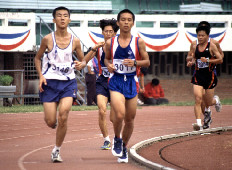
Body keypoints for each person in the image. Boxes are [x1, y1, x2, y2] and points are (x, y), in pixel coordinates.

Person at [34, 6, 87, 162]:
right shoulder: (47, 39)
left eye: (65, 16)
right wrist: (41, 76)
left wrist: (81, 65)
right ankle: (54, 123)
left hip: (68, 83)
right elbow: (37, 58)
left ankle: (56, 150)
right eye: (59, 16)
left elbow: (82, 60)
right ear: (54, 20)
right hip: (49, 83)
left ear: (69, 20)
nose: (62, 18)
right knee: (51, 121)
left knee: (64, 115)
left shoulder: (75, 41)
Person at [104, 9, 150, 163]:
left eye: (129, 20)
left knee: (130, 119)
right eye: (123, 19)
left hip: (131, 81)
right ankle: (116, 138)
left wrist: (135, 62)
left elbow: (147, 61)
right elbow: (107, 59)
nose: (126, 22)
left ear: (133, 23)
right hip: (116, 81)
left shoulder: (138, 42)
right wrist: (109, 65)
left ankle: (123, 146)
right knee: (119, 114)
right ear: (118, 22)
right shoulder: (111, 42)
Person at [85, 18, 119, 150]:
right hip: (102, 81)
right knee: (101, 110)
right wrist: (93, 49)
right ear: (102, 32)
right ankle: (106, 140)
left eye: (111, 31)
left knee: (114, 117)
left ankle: (118, 138)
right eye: (106, 31)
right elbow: (85, 60)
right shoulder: (98, 47)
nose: (109, 34)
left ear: (115, 33)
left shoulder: (120, 46)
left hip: (117, 82)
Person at [187, 21, 224, 129]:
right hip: (198, 75)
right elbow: (191, 57)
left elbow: (221, 57)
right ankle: (199, 124)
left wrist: (209, 60)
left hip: (210, 75)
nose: (200, 37)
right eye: (199, 35)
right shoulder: (194, 45)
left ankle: (215, 101)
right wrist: (190, 62)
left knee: (208, 101)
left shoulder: (213, 44)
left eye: (203, 35)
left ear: (208, 34)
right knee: (198, 98)